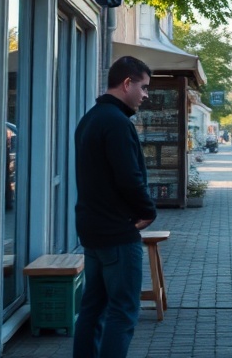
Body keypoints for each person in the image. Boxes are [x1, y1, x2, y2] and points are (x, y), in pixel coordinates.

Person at [73, 55, 157, 358]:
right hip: (117, 233)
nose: (145, 96)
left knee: (92, 311)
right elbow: (128, 177)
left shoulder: (91, 118)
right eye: (144, 87)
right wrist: (148, 211)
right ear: (126, 83)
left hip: (92, 231)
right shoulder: (116, 123)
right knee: (122, 313)